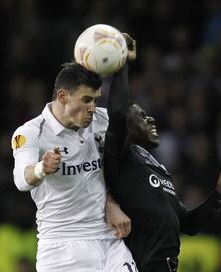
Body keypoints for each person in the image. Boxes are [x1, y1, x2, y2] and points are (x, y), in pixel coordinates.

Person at [104, 36, 221, 272]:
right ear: (125, 124)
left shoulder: (156, 166)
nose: (151, 118)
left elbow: (189, 224)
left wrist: (219, 194)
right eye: (141, 116)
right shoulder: (119, 156)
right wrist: (122, 61)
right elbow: (117, 110)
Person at [11, 52, 137, 271]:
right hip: (62, 247)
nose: (92, 108)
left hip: (109, 239)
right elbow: (21, 180)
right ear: (62, 96)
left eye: (96, 100)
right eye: (86, 100)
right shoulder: (31, 132)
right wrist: (41, 168)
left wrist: (122, 62)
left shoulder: (101, 121)